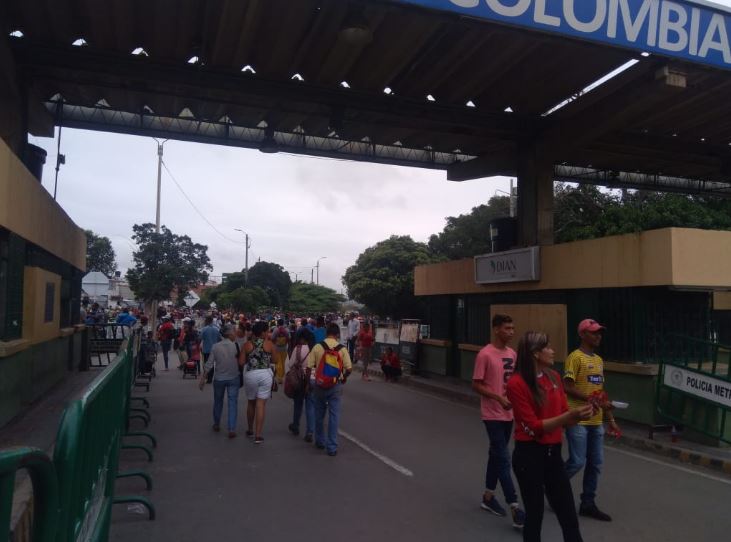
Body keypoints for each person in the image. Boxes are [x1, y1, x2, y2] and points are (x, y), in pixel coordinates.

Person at [506, 332, 594, 542]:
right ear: (536, 353)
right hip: (529, 455)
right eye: (548, 347)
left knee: (568, 515)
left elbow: (564, 415)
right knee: (535, 516)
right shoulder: (516, 384)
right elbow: (534, 427)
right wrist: (568, 416)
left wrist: (582, 414)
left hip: (553, 455)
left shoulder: (554, 377)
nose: (553, 351)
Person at [471, 314, 525, 529]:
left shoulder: (513, 354)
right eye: (507, 328)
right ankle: (515, 506)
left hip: (509, 414)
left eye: (512, 328)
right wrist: (498, 397)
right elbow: (476, 384)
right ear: (496, 329)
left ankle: (488, 497)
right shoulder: (485, 354)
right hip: (492, 414)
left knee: (496, 454)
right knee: (503, 457)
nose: (511, 332)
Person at [563, 319, 619, 522]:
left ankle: (588, 503)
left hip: (596, 421)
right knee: (577, 461)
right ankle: (552, 486)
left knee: (596, 464)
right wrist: (590, 399)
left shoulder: (599, 361)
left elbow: (600, 392)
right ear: (583, 335)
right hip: (578, 418)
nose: (598, 336)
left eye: (599, 333)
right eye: (594, 333)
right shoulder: (574, 358)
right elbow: (567, 387)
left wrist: (610, 418)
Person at [306, 323, 353, 456]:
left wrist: (309, 384)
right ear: (337, 335)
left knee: (319, 414)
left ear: (326, 333)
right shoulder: (342, 349)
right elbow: (349, 369)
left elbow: (309, 367)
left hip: (319, 384)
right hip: (335, 385)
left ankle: (320, 441)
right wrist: (343, 378)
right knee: (334, 415)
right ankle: (331, 447)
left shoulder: (317, 346)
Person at [201, 324, 243, 438]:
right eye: (234, 332)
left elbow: (209, 364)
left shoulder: (215, 346)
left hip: (219, 378)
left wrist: (203, 378)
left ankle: (216, 423)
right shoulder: (237, 346)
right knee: (232, 403)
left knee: (218, 401)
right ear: (229, 334)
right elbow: (241, 362)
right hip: (234, 378)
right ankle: (231, 429)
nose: (236, 334)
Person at [242, 321, 275, 443]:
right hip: (265, 374)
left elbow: (241, 363)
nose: (268, 333)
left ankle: (250, 429)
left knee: (251, 403)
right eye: (267, 331)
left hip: (250, 374)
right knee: (260, 404)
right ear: (263, 332)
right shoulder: (269, 344)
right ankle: (258, 435)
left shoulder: (247, 345)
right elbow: (275, 360)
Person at [285, 331, 313, 438]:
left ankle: (295, 426)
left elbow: (290, 364)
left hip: (299, 380)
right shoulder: (313, 349)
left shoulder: (298, 348)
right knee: (310, 406)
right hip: (310, 379)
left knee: (298, 404)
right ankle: (310, 431)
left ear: (302, 338)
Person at [200, 316, 222, 382]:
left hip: (206, 349)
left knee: (206, 363)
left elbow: (200, 338)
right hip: (215, 349)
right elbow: (220, 339)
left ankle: (207, 376)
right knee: (212, 363)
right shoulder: (217, 329)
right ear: (212, 321)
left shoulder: (204, 329)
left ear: (206, 321)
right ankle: (210, 378)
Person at [271, 318, 291, 385]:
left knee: (278, 362)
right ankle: (282, 375)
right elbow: (289, 338)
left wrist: (275, 343)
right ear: (283, 323)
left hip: (277, 348)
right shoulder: (287, 330)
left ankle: (280, 377)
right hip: (284, 348)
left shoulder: (276, 330)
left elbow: (272, 338)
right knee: (283, 362)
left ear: (278, 323)